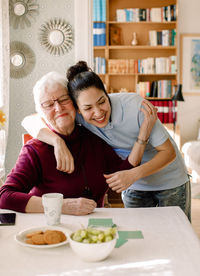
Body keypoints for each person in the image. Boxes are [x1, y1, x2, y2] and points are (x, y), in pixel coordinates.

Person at [22, 62, 191, 221]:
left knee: (176, 236)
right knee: (141, 238)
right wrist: (57, 141)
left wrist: (134, 173)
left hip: (168, 180)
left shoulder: (135, 107)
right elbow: (29, 120)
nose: (98, 113)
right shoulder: (79, 116)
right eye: (88, 108)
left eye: (102, 101)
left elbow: (169, 153)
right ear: (77, 108)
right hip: (133, 183)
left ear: (106, 92)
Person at [0, 71, 155, 215]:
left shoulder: (94, 138)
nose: (58, 108)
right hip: (51, 228)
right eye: (48, 105)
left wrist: (143, 136)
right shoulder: (35, 150)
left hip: (93, 230)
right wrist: (62, 206)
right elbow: (5, 197)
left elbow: (123, 172)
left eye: (64, 99)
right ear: (41, 112)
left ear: (74, 102)